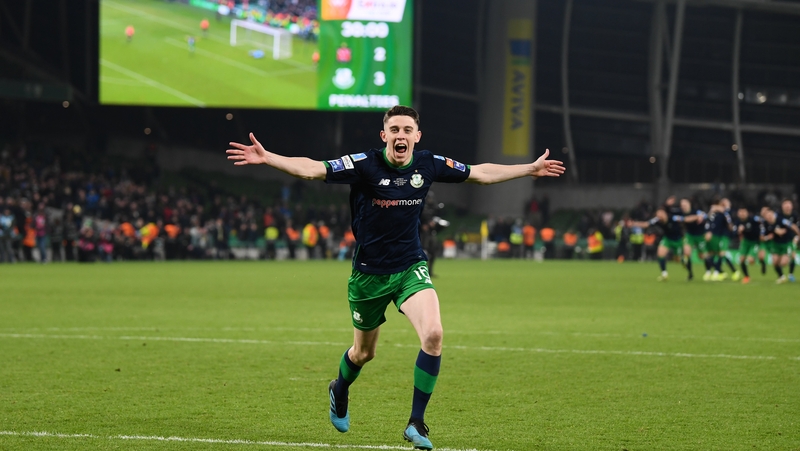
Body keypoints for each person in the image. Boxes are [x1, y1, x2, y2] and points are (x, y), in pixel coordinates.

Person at [226, 105, 565, 450]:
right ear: (384, 135)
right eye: (395, 129)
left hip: (410, 267)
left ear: (417, 137)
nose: (401, 135)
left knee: (433, 334)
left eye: (407, 130)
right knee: (363, 354)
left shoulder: (429, 164)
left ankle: (416, 423)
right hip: (368, 276)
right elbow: (314, 169)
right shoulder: (364, 164)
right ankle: (339, 388)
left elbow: (480, 173)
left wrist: (530, 169)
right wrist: (269, 158)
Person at [734, 206, 763, 284]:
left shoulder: (753, 220)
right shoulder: (737, 222)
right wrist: (738, 231)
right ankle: (746, 276)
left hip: (754, 242)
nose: (742, 214)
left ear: (747, 213)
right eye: (741, 212)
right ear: (738, 214)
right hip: (745, 242)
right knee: (742, 259)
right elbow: (734, 233)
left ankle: (755, 258)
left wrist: (746, 230)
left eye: (744, 212)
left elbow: (758, 228)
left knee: (750, 260)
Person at [776, 199, 799, 282]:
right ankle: (781, 275)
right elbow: (775, 226)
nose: (787, 206)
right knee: (780, 262)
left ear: (792, 206)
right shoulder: (778, 215)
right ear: (782, 206)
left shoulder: (795, 215)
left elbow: (797, 227)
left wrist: (797, 237)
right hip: (779, 241)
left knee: (793, 256)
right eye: (785, 204)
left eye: (789, 204)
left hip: (791, 240)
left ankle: (790, 275)